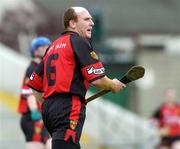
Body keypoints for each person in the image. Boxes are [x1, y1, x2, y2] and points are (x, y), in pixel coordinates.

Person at [28, 6, 126, 149]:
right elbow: (98, 79)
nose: (92, 23)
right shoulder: (79, 42)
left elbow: (35, 85)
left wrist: (51, 104)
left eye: (92, 20)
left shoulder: (52, 46)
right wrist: (113, 84)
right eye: (86, 19)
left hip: (49, 110)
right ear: (72, 23)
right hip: (69, 107)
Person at [17, 37, 52, 149]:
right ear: (35, 50)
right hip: (32, 117)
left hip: (42, 116)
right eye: (43, 47)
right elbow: (28, 92)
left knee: (49, 144)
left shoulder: (42, 68)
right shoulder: (32, 68)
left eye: (48, 46)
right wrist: (35, 112)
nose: (47, 49)